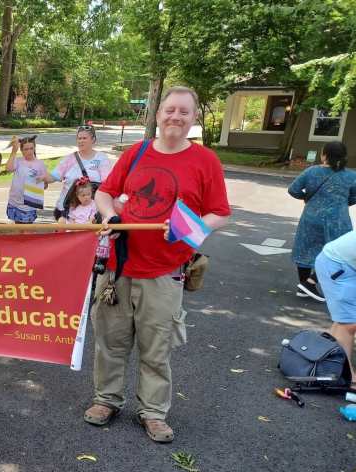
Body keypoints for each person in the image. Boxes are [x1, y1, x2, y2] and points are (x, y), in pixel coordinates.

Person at [86, 86, 231, 443]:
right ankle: (106, 400)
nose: (175, 117)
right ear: (157, 114)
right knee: (110, 342)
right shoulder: (136, 153)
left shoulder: (205, 161)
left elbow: (220, 214)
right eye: (170, 110)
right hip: (118, 269)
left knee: (156, 348)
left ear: (194, 117)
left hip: (165, 273)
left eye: (184, 112)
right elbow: (105, 192)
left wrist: (191, 229)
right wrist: (110, 216)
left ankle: (153, 413)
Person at [287, 141, 356, 302]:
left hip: (311, 217)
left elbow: (293, 189)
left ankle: (304, 285)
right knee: (340, 253)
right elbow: (354, 196)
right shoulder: (351, 176)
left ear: (324, 155)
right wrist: (342, 202)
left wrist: (307, 198)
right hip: (338, 221)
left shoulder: (311, 171)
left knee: (306, 250)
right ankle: (310, 283)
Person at [314, 230, 356, 386]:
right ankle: (348, 377)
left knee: (343, 322)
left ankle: (326, 360)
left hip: (344, 264)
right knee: (349, 324)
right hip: (337, 266)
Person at [50, 125, 112, 221]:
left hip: (91, 213)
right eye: (79, 138)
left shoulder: (101, 159)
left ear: (93, 140)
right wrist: (40, 178)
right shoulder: (70, 158)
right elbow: (53, 176)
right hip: (66, 210)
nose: (81, 141)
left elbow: (107, 184)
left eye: (84, 138)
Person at [5, 135, 52, 224]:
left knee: (27, 231)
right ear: (21, 150)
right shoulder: (18, 161)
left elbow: (45, 186)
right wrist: (14, 151)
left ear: (34, 148)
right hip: (15, 202)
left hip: (29, 204)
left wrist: (41, 182)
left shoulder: (40, 164)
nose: (29, 151)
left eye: (31, 148)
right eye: (26, 149)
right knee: (18, 229)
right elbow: (9, 168)